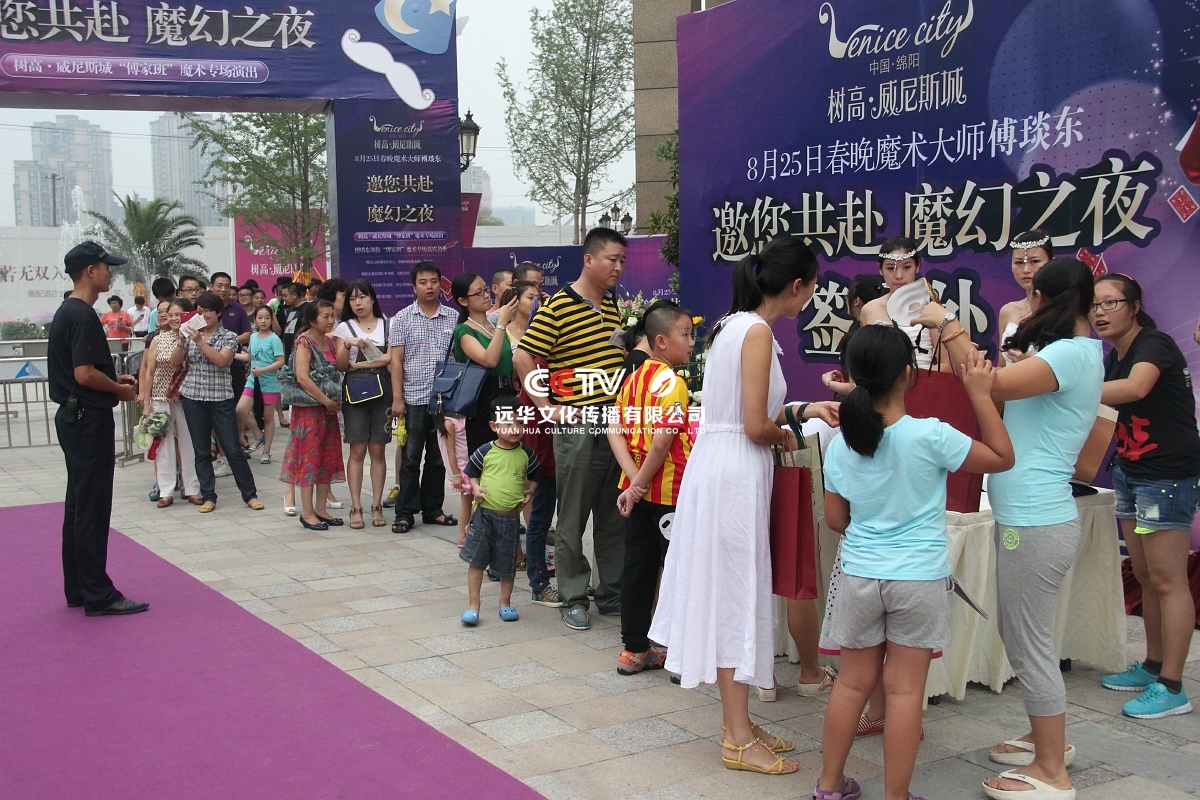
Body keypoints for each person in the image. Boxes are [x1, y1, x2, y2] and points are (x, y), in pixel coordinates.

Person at [646, 237, 839, 775]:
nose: (811, 295)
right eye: (812, 286)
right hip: (736, 473)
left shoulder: (732, 326)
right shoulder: (755, 331)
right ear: (796, 286)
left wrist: (800, 411)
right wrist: (786, 434)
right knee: (735, 596)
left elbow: (745, 411)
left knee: (734, 593)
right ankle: (735, 736)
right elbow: (756, 425)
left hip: (723, 466)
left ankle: (742, 724)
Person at [920, 258, 1101, 800]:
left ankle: (1051, 769)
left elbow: (987, 383)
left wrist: (946, 323)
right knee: (1024, 635)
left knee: (1029, 642)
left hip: (1036, 522)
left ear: (1043, 300)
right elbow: (999, 388)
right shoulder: (1070, 353)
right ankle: (1045, 740)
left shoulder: (1068, 353)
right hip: (1033, 519)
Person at [816, 325, 1014, 800]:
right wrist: (979, 393)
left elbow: (836, 519)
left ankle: (828, 787)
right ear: (908, 374)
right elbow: (1001, 457)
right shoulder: (930, 435)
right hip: (919, 578)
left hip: (861, 574)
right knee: (905, 692)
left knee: (851, 686)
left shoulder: (841, 443)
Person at [1091, 274, 1198, 719]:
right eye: (1093, 304)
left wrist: (1064, 387)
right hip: (1131, 471)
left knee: (1169, 579)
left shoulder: (1154, 345)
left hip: (1166, 475)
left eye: (1110, 303)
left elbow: (1136, 389)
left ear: (1135, 306)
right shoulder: (1114, 355)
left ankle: (1173, 687)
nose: (1099, 312)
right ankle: (1153, 666)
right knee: (1146, 575)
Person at [514, 228, 631, 631]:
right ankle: (573, 596)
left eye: (622, 260)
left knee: (614, 514)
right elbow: (523, 356)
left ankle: (611, 593)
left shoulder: (613, 306)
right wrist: (548, 407)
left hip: (613, 423)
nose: (618, 267)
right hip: (578, 424)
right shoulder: (558, 306)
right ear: (588, 259)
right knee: (573, 516)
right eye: (612, 259)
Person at [49, 241, 149, 617]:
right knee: (91, 506)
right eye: (107, 268)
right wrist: (118, 390)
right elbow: (84, 373)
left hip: (75, 417)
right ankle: (98, 593)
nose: (111, 274)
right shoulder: (81, 315)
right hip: (86, 420)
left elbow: (84, 371)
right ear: (91, 271)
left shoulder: (69, 311)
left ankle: (79, 587)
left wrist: (111, 378)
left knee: (78, 504)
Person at [608, 301, 695, 675]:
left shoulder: (632, 379)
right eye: (685, 335)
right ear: (661, 341)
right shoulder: (673, 384)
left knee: (638, 568)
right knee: (677, 571)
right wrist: (640, 484)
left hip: (638, 493)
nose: (691, 342)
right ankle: (679, 657)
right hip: (669, 493)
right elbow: (662, 443)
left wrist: (633, 484)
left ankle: (633, 650)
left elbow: (614, 430)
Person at [172, 291, 265, 514]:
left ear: (218, 313)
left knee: (232, 448)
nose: (203, 315)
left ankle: (250, 494)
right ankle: (208, 496)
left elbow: (222, 360)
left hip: (220, 397)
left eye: (208, 311)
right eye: (200, 311)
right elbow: (175, 362)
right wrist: (182, 341)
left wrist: (200, 342)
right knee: (201, 449)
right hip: (193, 396)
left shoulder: (228, 336)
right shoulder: (190, 335)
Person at [388, 262, 458, 533]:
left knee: (438, 459)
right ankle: (405, 513)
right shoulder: (402, 318)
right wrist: (397, 398)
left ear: (441, 284)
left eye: (433, 281)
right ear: (414, 286)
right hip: (414, 398)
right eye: (423, 282)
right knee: (410, 458)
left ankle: (433, 510)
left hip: (444, 400)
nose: (429, 287)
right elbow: (396, 361)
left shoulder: (453, 317)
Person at [459, 396, 541, 626]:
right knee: (476, 561)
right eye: (508, 424)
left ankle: (505, 603)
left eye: (519, 423)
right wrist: (476, 488)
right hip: (484, 515)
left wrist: (529, 491)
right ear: (494, 426)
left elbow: (536, 476)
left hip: (510, 518)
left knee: (507, 564)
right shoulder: (485, 451)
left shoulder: (527, 454)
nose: (515, 429)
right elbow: (471, 473)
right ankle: (473, 605)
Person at [280, 300, 346, 530]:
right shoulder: (304, 342)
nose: (330, 320)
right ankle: (307, 512)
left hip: (328, 411)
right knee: (308, 458)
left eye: (332, 315)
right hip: (309, 411)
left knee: (327, 456)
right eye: (325, 316)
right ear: (311, 320)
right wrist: (326, 400)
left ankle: (321, 509)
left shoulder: (329, 341)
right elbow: (302, 377)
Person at [334, 280, 392, 529]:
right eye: (352, 299)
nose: (358, 303)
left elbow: (390, 358)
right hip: (355, 392)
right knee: (357, 450)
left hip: (383, 390)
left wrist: (359, 365)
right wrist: (348, 345)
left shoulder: (387, 324)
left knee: (378, 450)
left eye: (362, 297)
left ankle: (377, 505)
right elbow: (341, 365)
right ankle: (356, 506)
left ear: (372, 298)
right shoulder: (344, 328)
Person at [137, 298, 202, 508]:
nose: (174, 318)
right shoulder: (158, 339)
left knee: (188, 442)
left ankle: (192, 488)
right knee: (163, 444)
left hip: (186, 397)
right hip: (159, 395)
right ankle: (165, 491)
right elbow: (149, 371)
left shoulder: (195, 339)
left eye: (178, 315)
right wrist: (146, 401)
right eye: (170, 314)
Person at [451, 272, 519, 455]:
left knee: (511, 452)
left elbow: (508, 361)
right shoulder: (464, 330)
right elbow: (489, 360)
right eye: (479, 293)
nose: (486, 295)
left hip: (507, 394)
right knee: (487, 456)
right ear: (463, 301)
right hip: (483, 400)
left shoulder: (494, 327)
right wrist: (502, 323)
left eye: (486, 290)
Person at [860, 237, 945, 370]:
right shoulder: (869, 310)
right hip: (880, 383)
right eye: (891, 268)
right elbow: (863, 360)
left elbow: (946, 365)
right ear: (880, 269)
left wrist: (908, 378)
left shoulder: (931, 308)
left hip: (920, 381)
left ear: (917, 266)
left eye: (906, 267)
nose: (899, 275)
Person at [237, 306, 284, 465]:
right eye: (260, 318)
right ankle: (258, 435)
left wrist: (263, 370)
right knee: (240, 409)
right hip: (253, 381)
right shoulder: (253, 337)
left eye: (267, 318)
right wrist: (232, 355)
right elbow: (250, 357)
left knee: (268, 417)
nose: (263, 321)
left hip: (269, 383)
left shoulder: (274, 339)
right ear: (255, 319)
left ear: (271, 319)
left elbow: (280, 361)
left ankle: (266, 451)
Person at [999, 230, 1053, 366]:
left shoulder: (1061, 309)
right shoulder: (1007, 311)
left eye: (1034, 261)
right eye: (1019, 263)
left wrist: (1031, 362)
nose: (1026, 270)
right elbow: (1001, 365)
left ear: (1051, 263)